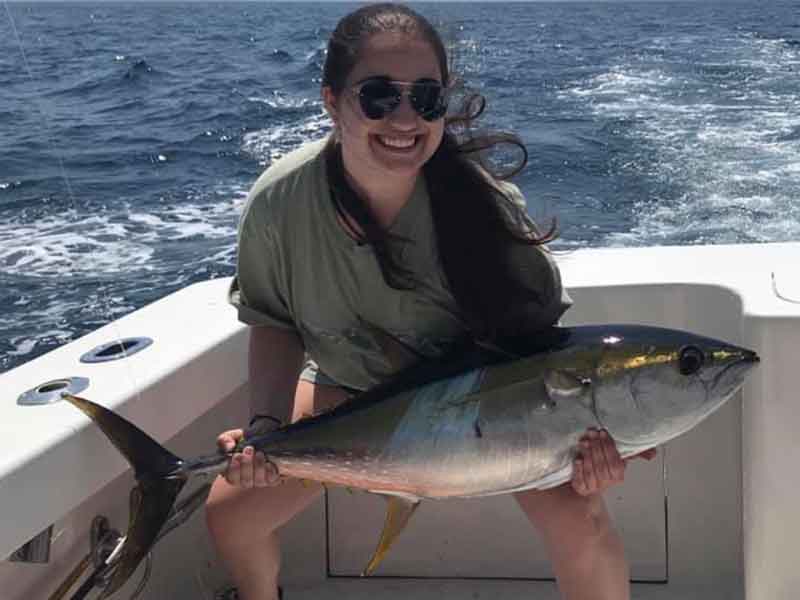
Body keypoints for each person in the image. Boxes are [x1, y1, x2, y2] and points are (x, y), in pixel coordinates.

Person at [206, 4, 656, 600]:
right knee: (230, 512)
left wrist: (605, 436)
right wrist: (265, 429)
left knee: (585, 521)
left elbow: (542, 354)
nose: (404, 118)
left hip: (485, 412)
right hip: (352, 393)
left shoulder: (486, 207)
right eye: (377, 97)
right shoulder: (279, 202)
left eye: (426, 97)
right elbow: (274, 321)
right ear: (331, 101)